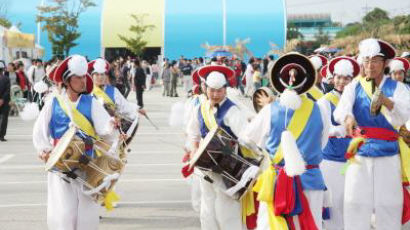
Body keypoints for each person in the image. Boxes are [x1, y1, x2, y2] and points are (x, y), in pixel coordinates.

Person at [242, 53, 330, 230]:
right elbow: (323, 142)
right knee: (310, 225)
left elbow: (247, 140)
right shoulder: (321, 108)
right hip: (311, 179)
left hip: (276, 180)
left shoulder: (269, 110)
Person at [334, 38, 410, 230]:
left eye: (375, 61)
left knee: (389, 204)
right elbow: (341, 110)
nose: (370, 65)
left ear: (384, 64)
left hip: (388, 153)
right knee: (355, 202)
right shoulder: (354, 87)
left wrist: (386, 101)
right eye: (366, 61)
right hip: (360, 151)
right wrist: (348, 118)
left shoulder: (398, 88)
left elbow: (404, 116)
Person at [32, 55, 115, 230]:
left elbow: (106, 130)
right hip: (61, 168)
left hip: (87, 167)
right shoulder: (53, 102)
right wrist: (44, 151)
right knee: (63, 214)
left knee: (87, 216)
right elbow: (39, 132)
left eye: (84, 76)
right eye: (78, 77)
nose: (83, 80)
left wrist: (111, 126)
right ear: (67, 80)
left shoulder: (91, 103)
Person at [186, 65, 249, 230]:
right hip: (205, 166)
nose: (215, 94)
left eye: (219, 91)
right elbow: (193, 133)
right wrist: (194, 151)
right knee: (207, 205)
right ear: (205, 88)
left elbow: (246, 139)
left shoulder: (232, 111)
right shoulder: (199, 108)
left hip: (228, 167)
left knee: (228, 205)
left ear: (225, 90)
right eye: (211, 90)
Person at [317, 56, 360, 230]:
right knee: (333, 204)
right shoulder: (324, 102)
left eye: (346, 78)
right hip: (331, 161)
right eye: (339, 77)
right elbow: (322, 130)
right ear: (333, 78)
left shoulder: (356, 101)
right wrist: (342, 130)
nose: (342, 81)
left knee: (351, 204)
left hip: (354, 160)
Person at [0, 61, 10, 142]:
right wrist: (2, 99)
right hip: (4, 101)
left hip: (3, 101)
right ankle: (2, 135)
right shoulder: (6, 78)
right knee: (4, 118)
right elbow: (7, 90)